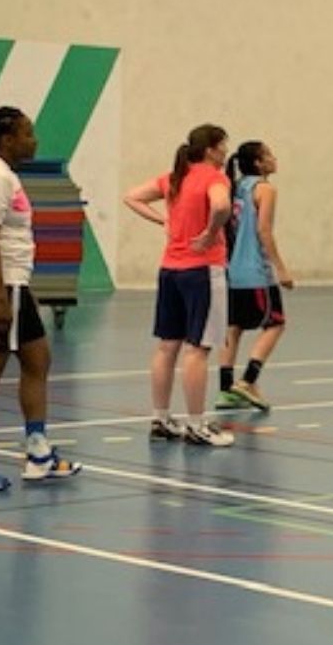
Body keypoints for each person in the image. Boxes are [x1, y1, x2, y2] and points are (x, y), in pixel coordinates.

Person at [0, 107, 81, 491]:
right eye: (28, 133)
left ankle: (38, 453)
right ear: (8, 140)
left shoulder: (6, 176)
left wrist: (15, 292)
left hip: (14, 285)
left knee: (38, 359)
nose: (34, 140)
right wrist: (1, 300)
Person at [123, 124, 235, 447]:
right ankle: (197, 425)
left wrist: (164, 220)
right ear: (212, 149)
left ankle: (160, 418)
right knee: (198, 349)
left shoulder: (174, 177)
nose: (226, 152)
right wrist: (213, 231)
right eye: (223, 146)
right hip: (203, 271)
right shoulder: (215, 177)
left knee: (166, 346)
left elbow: (131, 196)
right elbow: (221, 206)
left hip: (170, 270)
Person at [217, 141, 293, 411]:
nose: (275, 158)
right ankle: (248, 380)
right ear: (259, 163)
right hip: (255, 272)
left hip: (233, 270)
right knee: (275, 324)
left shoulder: (235, 187)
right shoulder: (265, 189)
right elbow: (264, 231)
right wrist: (281, 268)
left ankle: (225, 390)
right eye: (269, 155)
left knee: (234, 328)